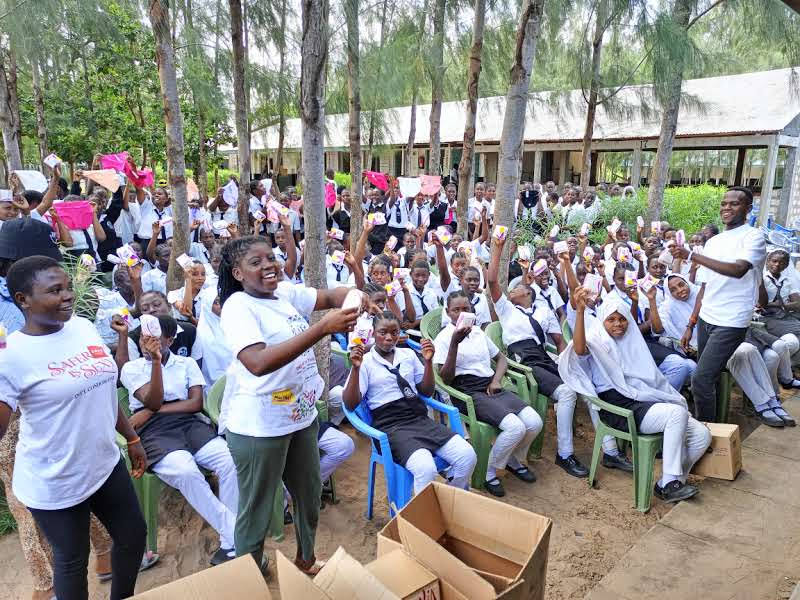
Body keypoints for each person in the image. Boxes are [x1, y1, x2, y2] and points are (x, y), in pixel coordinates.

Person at [0, 256, 147, 600]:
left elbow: (104, 391)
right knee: (72, 561)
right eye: (55, 290)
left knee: (133, 536)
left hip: (103, 464)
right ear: (23, 299)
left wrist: (132, 436)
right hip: (55, 480)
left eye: (67, 287)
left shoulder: (81, 326)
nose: (67, 295)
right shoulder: (11, 356)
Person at [217, 236, 358, 574]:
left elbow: (329, 296)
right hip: (259, 427)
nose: (269, 265)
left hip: (301, 416)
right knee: (258, 508)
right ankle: (251, 570)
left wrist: (356, 296)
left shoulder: (284, 293)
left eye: (271, 257)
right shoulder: (238, 307)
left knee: (309, 495)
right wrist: (323, 328)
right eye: (256, 262)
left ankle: (306, 559)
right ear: (238, 273)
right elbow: (257, 362)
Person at [560, 288, 711, 503]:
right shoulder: (596, 339)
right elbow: (580, 349)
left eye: (622, 319)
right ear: (603, 321)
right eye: (611, 319)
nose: (618, 324)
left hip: (642, 399)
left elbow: (646, 378)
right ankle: (670, 483)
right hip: (619, 408)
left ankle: (670, 481)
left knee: (702, 436)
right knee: (676, 413)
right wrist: (581, 312)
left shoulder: (632, 341)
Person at [120, 314, 239, 565]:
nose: (146, 344)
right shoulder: (133, 368)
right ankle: (236, 533)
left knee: (229, 461)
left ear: (171, 339)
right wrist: (155, 363)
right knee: (185, 471)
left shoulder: (186, 363)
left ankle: (230, 541)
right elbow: (152, 398)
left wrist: (150, 411)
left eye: (154, 339)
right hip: (154, 432)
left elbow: (195, 403)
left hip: (188, 423)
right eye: (143, 337)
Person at [346, 310, 477, 492]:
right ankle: (421, 516)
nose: (389, 338)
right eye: (382, 332)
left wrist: (428, 363)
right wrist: (355, 369)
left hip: (418, 419)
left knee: (467, 455)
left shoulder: (407, 356)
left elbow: (426, 391)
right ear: (373, 333)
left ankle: (451, 495)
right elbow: (350, 404)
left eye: (394, 332)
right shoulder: (365, 362)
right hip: (391, 426)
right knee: (426, 468)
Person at [669, 187, 766, 421]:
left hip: (731, 320)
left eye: (734, 204)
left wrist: (691, 255)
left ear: (748, 209)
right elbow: (704, 286)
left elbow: (738, 270)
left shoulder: (753, 236)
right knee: (710, 377)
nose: (727, 208)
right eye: (724, 203)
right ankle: (715, 424)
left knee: (700, 379)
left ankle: (707, 434)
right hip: (707, 318)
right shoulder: (714, 242)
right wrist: (691, 323)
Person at [433, 291, 542, 497]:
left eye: (466, 309)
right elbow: (445, 378)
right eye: (456, 310)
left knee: (534, 422)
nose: (462, 313)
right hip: (466, 390)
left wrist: (496, 380)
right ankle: (489, 472)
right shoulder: (445, 337)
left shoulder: (478, 333)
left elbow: (501, 359)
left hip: (491, 386)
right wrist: (455, 344)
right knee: (515, 427)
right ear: (448, 313)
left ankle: (510, 458)